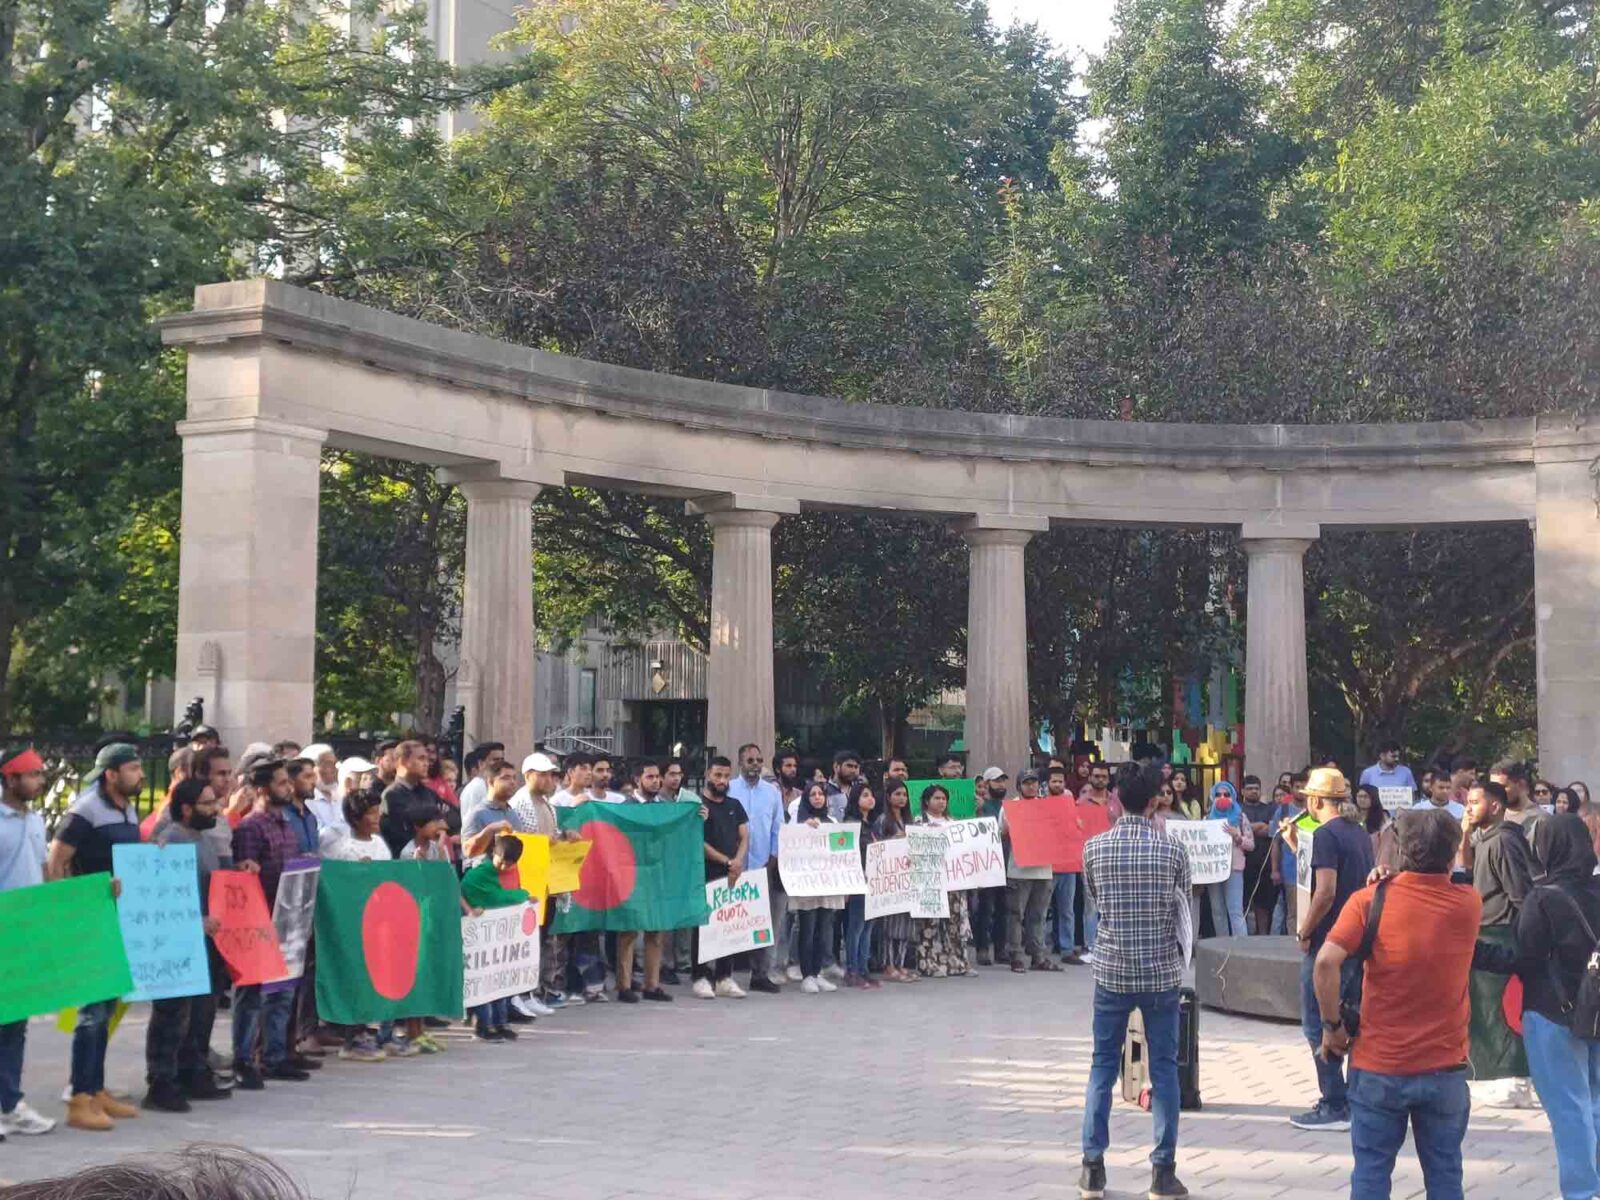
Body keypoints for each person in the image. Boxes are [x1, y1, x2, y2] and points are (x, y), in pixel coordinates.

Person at [1315, 807, 1480, 1200]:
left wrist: (1332, 1027)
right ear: (1451, 852)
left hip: (1379, 1065)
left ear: (1400, 850)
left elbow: (1325, 962)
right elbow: (1457, 878)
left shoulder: (1368, 901)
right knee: (1445, 1175)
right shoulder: (1468, 904)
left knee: (1371, 1172)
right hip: (1445, 1067)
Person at [1078, 765, 1191, 1200]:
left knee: (1101, 1067)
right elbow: (1181, 909)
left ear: (1115, 800)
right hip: (1161, 973)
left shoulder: (1094, 849)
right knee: (1164, 1071)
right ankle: (1162, 1172)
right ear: (1154, 802)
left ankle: (1093, 1168)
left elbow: (1095, 902)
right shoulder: (1173, 852)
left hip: (1111, 970)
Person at [1474, 814, 1600, 1200]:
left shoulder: (1543, 898)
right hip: (1594, 1010)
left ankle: (1582, 1191)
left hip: (1552, 1011)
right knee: (1594, 1101)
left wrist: (1474, 952)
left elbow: (1523, 959)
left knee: (1568, 1106)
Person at [46, 743, 144, 1130]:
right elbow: (56, 862)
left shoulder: (127, 808)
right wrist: (73, 909)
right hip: (90, 920)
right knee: (90, 1012)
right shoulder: (85, 809)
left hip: (116, 919)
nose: (139, 775)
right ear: (111, 774)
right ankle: (79, 1098)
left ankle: (96, 1088)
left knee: (107, 1007)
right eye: (134, 769)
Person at [1283, 766, 1374, 1132]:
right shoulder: (1359, 833)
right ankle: (1355, 1098)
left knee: (1318, 1021)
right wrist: (1292, 844)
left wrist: (1305, 929)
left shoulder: (1324, 834)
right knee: (1354, 1019)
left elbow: (1325, 891)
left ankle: (1334, 1102)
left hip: (1329, 942)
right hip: (1358, 937)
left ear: (1316, 800)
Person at [144, 779, 235, 1111]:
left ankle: (192, 1071)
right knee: (172, 1014)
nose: (215, 809)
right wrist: (194, 922)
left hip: (206, 942)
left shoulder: (203, 840)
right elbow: (159, 897)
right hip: (176, 943)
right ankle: (161, 1081)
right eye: (207, 804)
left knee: (202, 1011)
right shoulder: (168, 841)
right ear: (186, 808)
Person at [231, 759, 315, 1088]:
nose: (288, 787)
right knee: (252, 995)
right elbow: (245, 874)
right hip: (260, 918)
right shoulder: (252, 826)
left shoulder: (285, 824)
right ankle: (246, 1057)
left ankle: (277, 1055)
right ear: (264, 789)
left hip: (289, 917)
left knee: (283, 991)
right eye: (281, 783)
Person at [1459, 780, 1536, 1107]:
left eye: (1475, 802)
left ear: (1495, 805)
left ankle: (1511, 1079)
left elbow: (1520, 895)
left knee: (1500, 1013)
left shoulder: (1503, 841)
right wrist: (1464, 833)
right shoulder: (1485, 839)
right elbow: (1467, 866)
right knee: (1485, 1011)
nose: (1468, 808)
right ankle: (1492, 1076)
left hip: (1501, 935)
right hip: (1485, 934)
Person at [0, 748, 56, 1138]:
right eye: (31, 775)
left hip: (26, 937)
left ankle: (9, 1103)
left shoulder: (37, 821)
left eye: (39, 774)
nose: (39, 781)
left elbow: (42, 873)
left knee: (15, 1023)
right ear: (9, 778)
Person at [460, 834, 531, 1041]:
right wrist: (522, 896)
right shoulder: (478, 874)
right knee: (483, 981)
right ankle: (483, 1026)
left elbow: (508, 895)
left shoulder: (511, 873)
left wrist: (525, 897)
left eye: (509, 864)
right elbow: (495, 897)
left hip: (501, 938)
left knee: (502, 979)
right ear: (493, 853)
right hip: (479, 937)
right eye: (501, 861)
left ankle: (501, 1023)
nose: (504, 867)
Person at [727, 742, 784, 993]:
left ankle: (760, 974)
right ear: (740, 762)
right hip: (732, 866)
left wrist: (770, 861)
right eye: (750, 761)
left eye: (759, 761)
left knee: (763, 922)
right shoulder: (729, 788)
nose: (755, 766)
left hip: (762, 866)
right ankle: (723, 974)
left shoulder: (772, 792)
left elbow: (777, 829)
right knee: (730, 920)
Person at [616, 759, 672, 1004]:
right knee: (629, 932)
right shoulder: (626, 806)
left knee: (655, 931)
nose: (656, 781)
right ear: (638, 780)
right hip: (632, 874)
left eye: (658, 776)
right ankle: (624, 985)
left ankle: (652, 984)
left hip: (657, 874)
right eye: (650, 777)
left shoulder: (665, 806)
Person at [693, 756, 750, 999]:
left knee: (729, 926)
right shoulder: (697, 805)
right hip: (706, 872)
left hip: (731, 874)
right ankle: (700, 977)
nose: (722, 780)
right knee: (704, 927)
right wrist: (726, 861)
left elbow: (745, 835)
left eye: (726, 776)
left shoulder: (735, 805)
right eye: (717, 775)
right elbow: (699, 841)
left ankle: (725, 977)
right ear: (708, 774)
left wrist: (737, 860)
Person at [790, 782, 847, 994]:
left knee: (824, 931)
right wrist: (806, 828)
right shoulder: (798, 823)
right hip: (808, 887)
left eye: (820, 794)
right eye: (812, 794)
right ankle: (807, 975)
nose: (817, 797)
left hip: (828, 884)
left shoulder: (831, 821)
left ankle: (817, 972)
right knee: (807, 929)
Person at [1001, 770, 1059, 973]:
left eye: (1034, 783)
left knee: (1039, 915)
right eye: (1027, 783)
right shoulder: (1010, 807)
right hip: (1019, 870)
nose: (1031, 787)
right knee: (1015, 915)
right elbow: (1001, 832)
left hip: (1043, 870)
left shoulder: (1047, 807)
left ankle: (1038, 956)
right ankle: (1015, 956)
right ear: (1019, 786)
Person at [914, 784, 973, 978]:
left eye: (943, 799)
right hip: (930, 881)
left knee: (954, 923)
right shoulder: (918, 822)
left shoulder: (953, 822)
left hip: (953, 880)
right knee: (930, 924)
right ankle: (928, 963)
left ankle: (958, 963)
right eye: (936, 798)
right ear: (926, 801)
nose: (941, 802)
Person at [840, 782, 881, 988]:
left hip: (873, 881)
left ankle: (863, 969)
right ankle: (852, 970)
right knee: (856, 927)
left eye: (871, 794)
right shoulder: (851, 824)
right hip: (858, 881)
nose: (870, 798)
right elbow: (847, 855)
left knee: (868, 928)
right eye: (865, 795)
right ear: (856, 799)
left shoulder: (871, 824)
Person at [875, 780, 916, 983]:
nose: (901, 798)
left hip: (908, 878)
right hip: (890, 880)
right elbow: (876, 849)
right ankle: (888, 965)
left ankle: (900, 964)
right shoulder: (883, 820)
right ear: (889, 796)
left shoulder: (910, 821)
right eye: (897, 794)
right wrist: (895, 840)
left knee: (906, 924)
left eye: (904, 794)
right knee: (890, 926)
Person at [1204, 780, 1253, 938]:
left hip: (1234, 868)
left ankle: (1242, 950)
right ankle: (1222, 948)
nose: (1222, 797)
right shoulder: (1207, 820)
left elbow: (1251, 845)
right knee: (1217, 910)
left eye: (1226, 794)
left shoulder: (1240, 817)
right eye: (1218, 795)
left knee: (1235, 911)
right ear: (1213, 797)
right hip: (1214, 870)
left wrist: (1237, 837)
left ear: (1233, 797)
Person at [972, 766, 1010, 966]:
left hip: (1005, 860)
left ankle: (1001, 948)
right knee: (985, 907)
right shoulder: (980, 805)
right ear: (986, 784)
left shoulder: (1009, 806)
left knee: (1004, 907)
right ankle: (982, 948)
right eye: (996, 781)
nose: (1001, 784)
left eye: (1003, 780)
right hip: (985, 862)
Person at [1046, 765, 1082, 962]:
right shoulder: (1040, 804)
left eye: (1060, 781)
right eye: (1054, 781)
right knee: (1043, 910)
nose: (1057, 784)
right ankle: (1043, 947)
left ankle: (1067, 949)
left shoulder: (1071, 804)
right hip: (1047, 865)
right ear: (1048, 784)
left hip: (1068, 864)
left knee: (1067, 909)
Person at [379, 740, 439, 858]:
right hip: (400, 862)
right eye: (421, 759)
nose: (426, 763)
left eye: (427, 759)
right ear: (403, 761)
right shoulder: (391, 795)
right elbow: (398, 832)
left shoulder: (428, 793)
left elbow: (452, 818)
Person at [1240, 775, 1278, 934]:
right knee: (1242, 904)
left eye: (1256, 788)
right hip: (1243, 864)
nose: (1253, 791)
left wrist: (1247, 828)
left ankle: (1262, 936)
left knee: (1263, 905)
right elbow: (1239, 831)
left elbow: (1270, 830)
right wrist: (1258, 827)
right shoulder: (1237, 809)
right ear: (1242, 791)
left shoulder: (1269, 809)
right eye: (1249, 788)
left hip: (1265, 863)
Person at [1490, 760, 1544, 840]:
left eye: (1502, 787)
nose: (1497, 792)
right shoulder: (1492, 817)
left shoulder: (1542, 821)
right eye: (1493, 788)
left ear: (1521, 784)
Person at [457, 741, 506, 828]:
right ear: (481, 763)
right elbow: (472, 824)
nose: (500, 764)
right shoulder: (476, 788)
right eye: (495, 760)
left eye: (502, 760)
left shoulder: (490, 786)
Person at [282, 758, 321, 857]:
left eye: (314, 777)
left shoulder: (311, 817)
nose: (313, 783)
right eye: (307, 777)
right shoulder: (282, 817)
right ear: (291, 782)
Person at [823, 749, 861, 820]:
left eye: (856, 767)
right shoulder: (823, 790)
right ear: (836, 766)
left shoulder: (861, 790)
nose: (853, 770)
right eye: (849, 766)